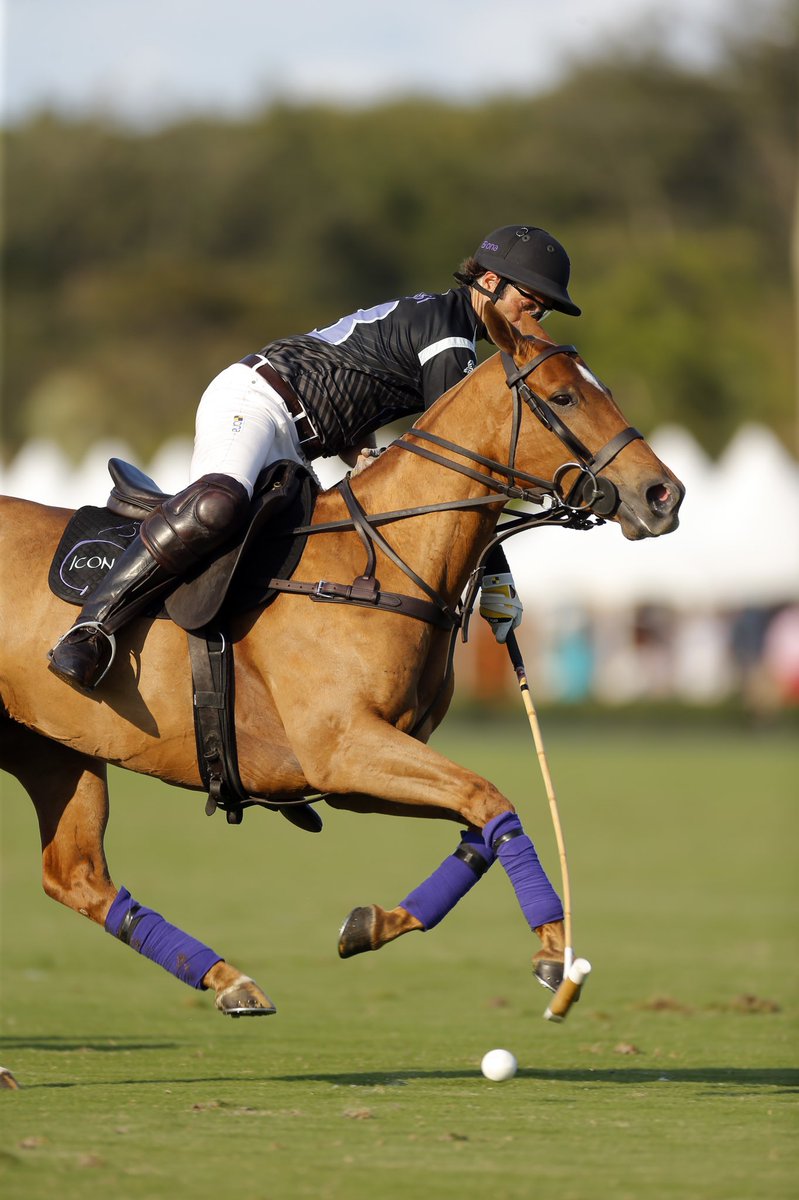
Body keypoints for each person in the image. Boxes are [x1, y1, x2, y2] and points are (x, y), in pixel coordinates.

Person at [48, 225, 581, 691]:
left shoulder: (448, 327)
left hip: (300, 443)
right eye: (531, 304)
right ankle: (91, 630)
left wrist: (359, 451)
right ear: (490, 283)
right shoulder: (449, 338)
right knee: (216, 505)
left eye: (544, 311)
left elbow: (358, 385)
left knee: (301, 561)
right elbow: (464, 474)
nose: (536, 320)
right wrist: (495, 574)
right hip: (256, 401)